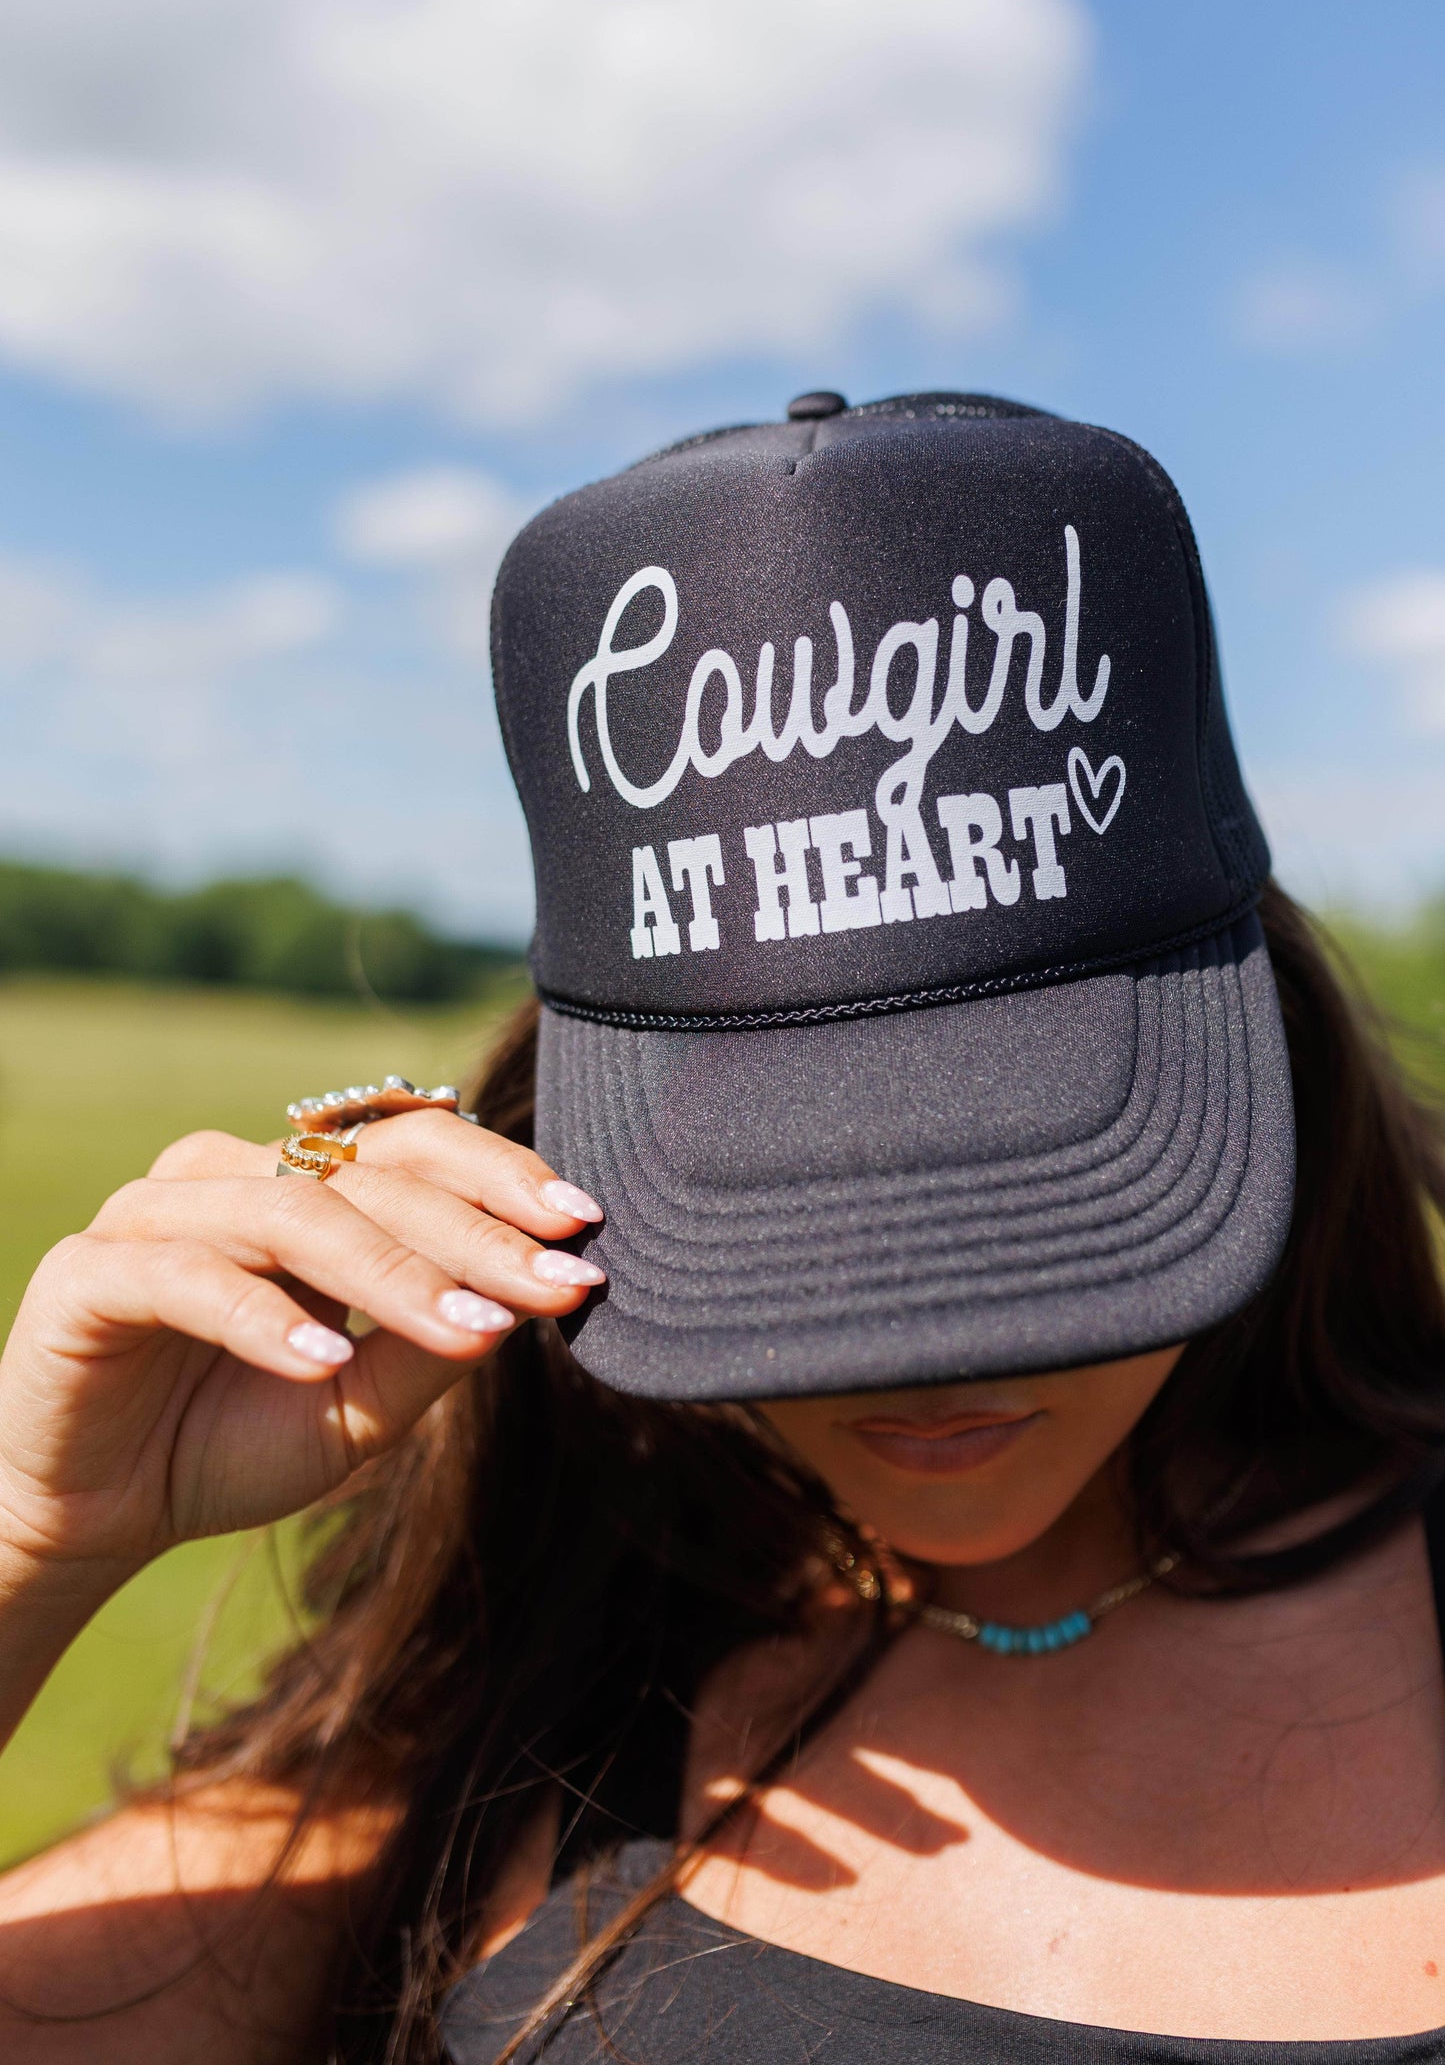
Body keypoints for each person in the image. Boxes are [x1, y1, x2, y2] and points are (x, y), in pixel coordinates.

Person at [0, 392, 1443, 2065]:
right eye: (782, 1191)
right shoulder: (534, 1704)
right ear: (571, 1115)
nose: (923, 1323)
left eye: (1033, 1167)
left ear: (1252, 1023)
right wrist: (37, 1540)